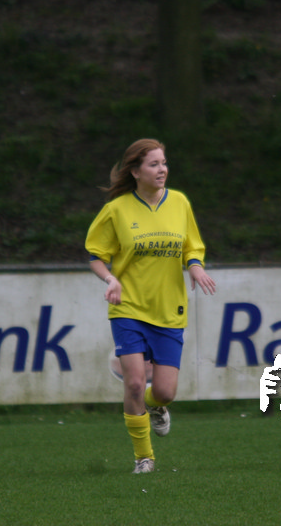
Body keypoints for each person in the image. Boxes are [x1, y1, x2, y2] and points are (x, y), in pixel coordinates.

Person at [85, 139, 216, 474]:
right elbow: (96, 256)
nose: (162, 170)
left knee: (164, 392)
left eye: (164, 163)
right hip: (127, 307)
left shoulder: (179, 203)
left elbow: (192, 247)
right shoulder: (117, 209)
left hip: (169, 309)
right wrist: (110, 279)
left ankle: (156, 406)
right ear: (135, 171)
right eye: (154, 164)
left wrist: (196, 267)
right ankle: (144, 458)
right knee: (133, 384)